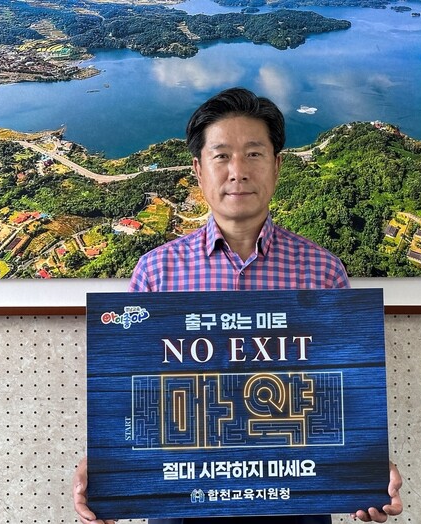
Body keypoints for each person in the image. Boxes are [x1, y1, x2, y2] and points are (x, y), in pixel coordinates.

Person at [73, 87, 403, 524]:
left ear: (277, 165)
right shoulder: (155, 272)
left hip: (294, 498)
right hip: (183, 499)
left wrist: (367, 465)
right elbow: (132, 392)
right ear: (198, 170)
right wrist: (108, 465)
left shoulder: (323, 271)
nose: (238, 171)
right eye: (221, 156)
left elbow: (346, 392)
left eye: (253, 154)